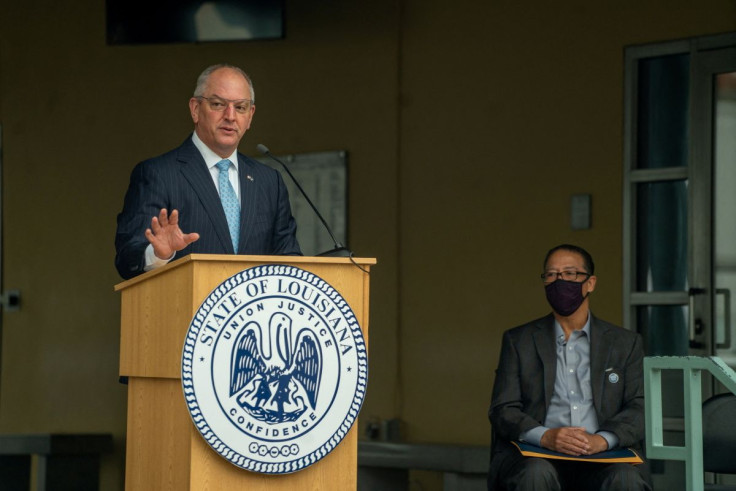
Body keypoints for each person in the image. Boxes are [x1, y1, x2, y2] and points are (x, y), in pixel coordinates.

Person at [487, 244, 651, 490]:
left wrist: (602, 441)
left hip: (604, 457)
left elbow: (639, 408)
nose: (559, 281)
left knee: (625, 479)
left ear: (590, 283)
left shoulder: (625, 343)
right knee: (535, 474)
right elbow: (503, 409)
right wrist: (545, 436)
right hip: (537, 454)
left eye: (570, 274)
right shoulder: (519, 340)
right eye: (551, 274)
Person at [115, 63, 301, 280]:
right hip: (187, 310)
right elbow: (127, 259)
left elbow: (288, 260)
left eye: (240, 107)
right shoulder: (158, 174)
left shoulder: (269, 181)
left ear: (250, 116)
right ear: (195, 109)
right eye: (218, 104)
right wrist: (158, 254)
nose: (230, 116)